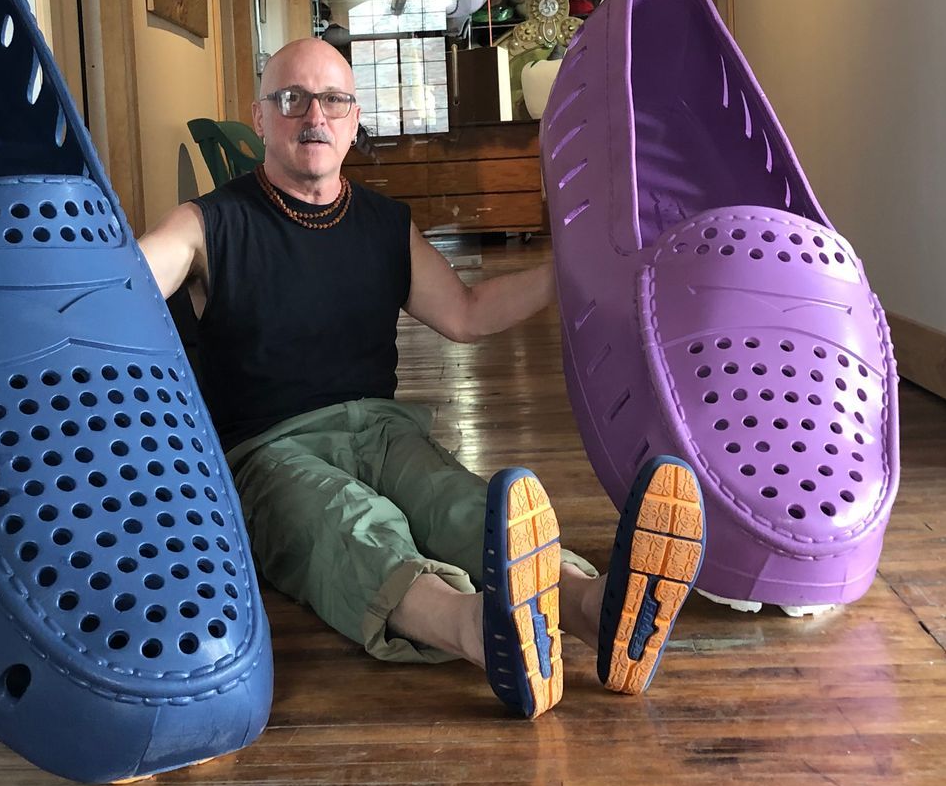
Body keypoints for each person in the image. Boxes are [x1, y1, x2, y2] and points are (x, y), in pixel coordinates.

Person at [138, 38, 704, 717]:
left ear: (353, 119)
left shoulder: (382, 224)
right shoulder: (209, 223)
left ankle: (595, 609)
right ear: (261, 118)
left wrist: (568, 276)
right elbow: (133, 277)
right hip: (267, 450)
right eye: (291, 100)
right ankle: (480, 630)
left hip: (379, 429)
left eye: (333, 100)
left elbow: (465, 313)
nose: (312, 115)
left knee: (456, 501)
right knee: (350, 526)